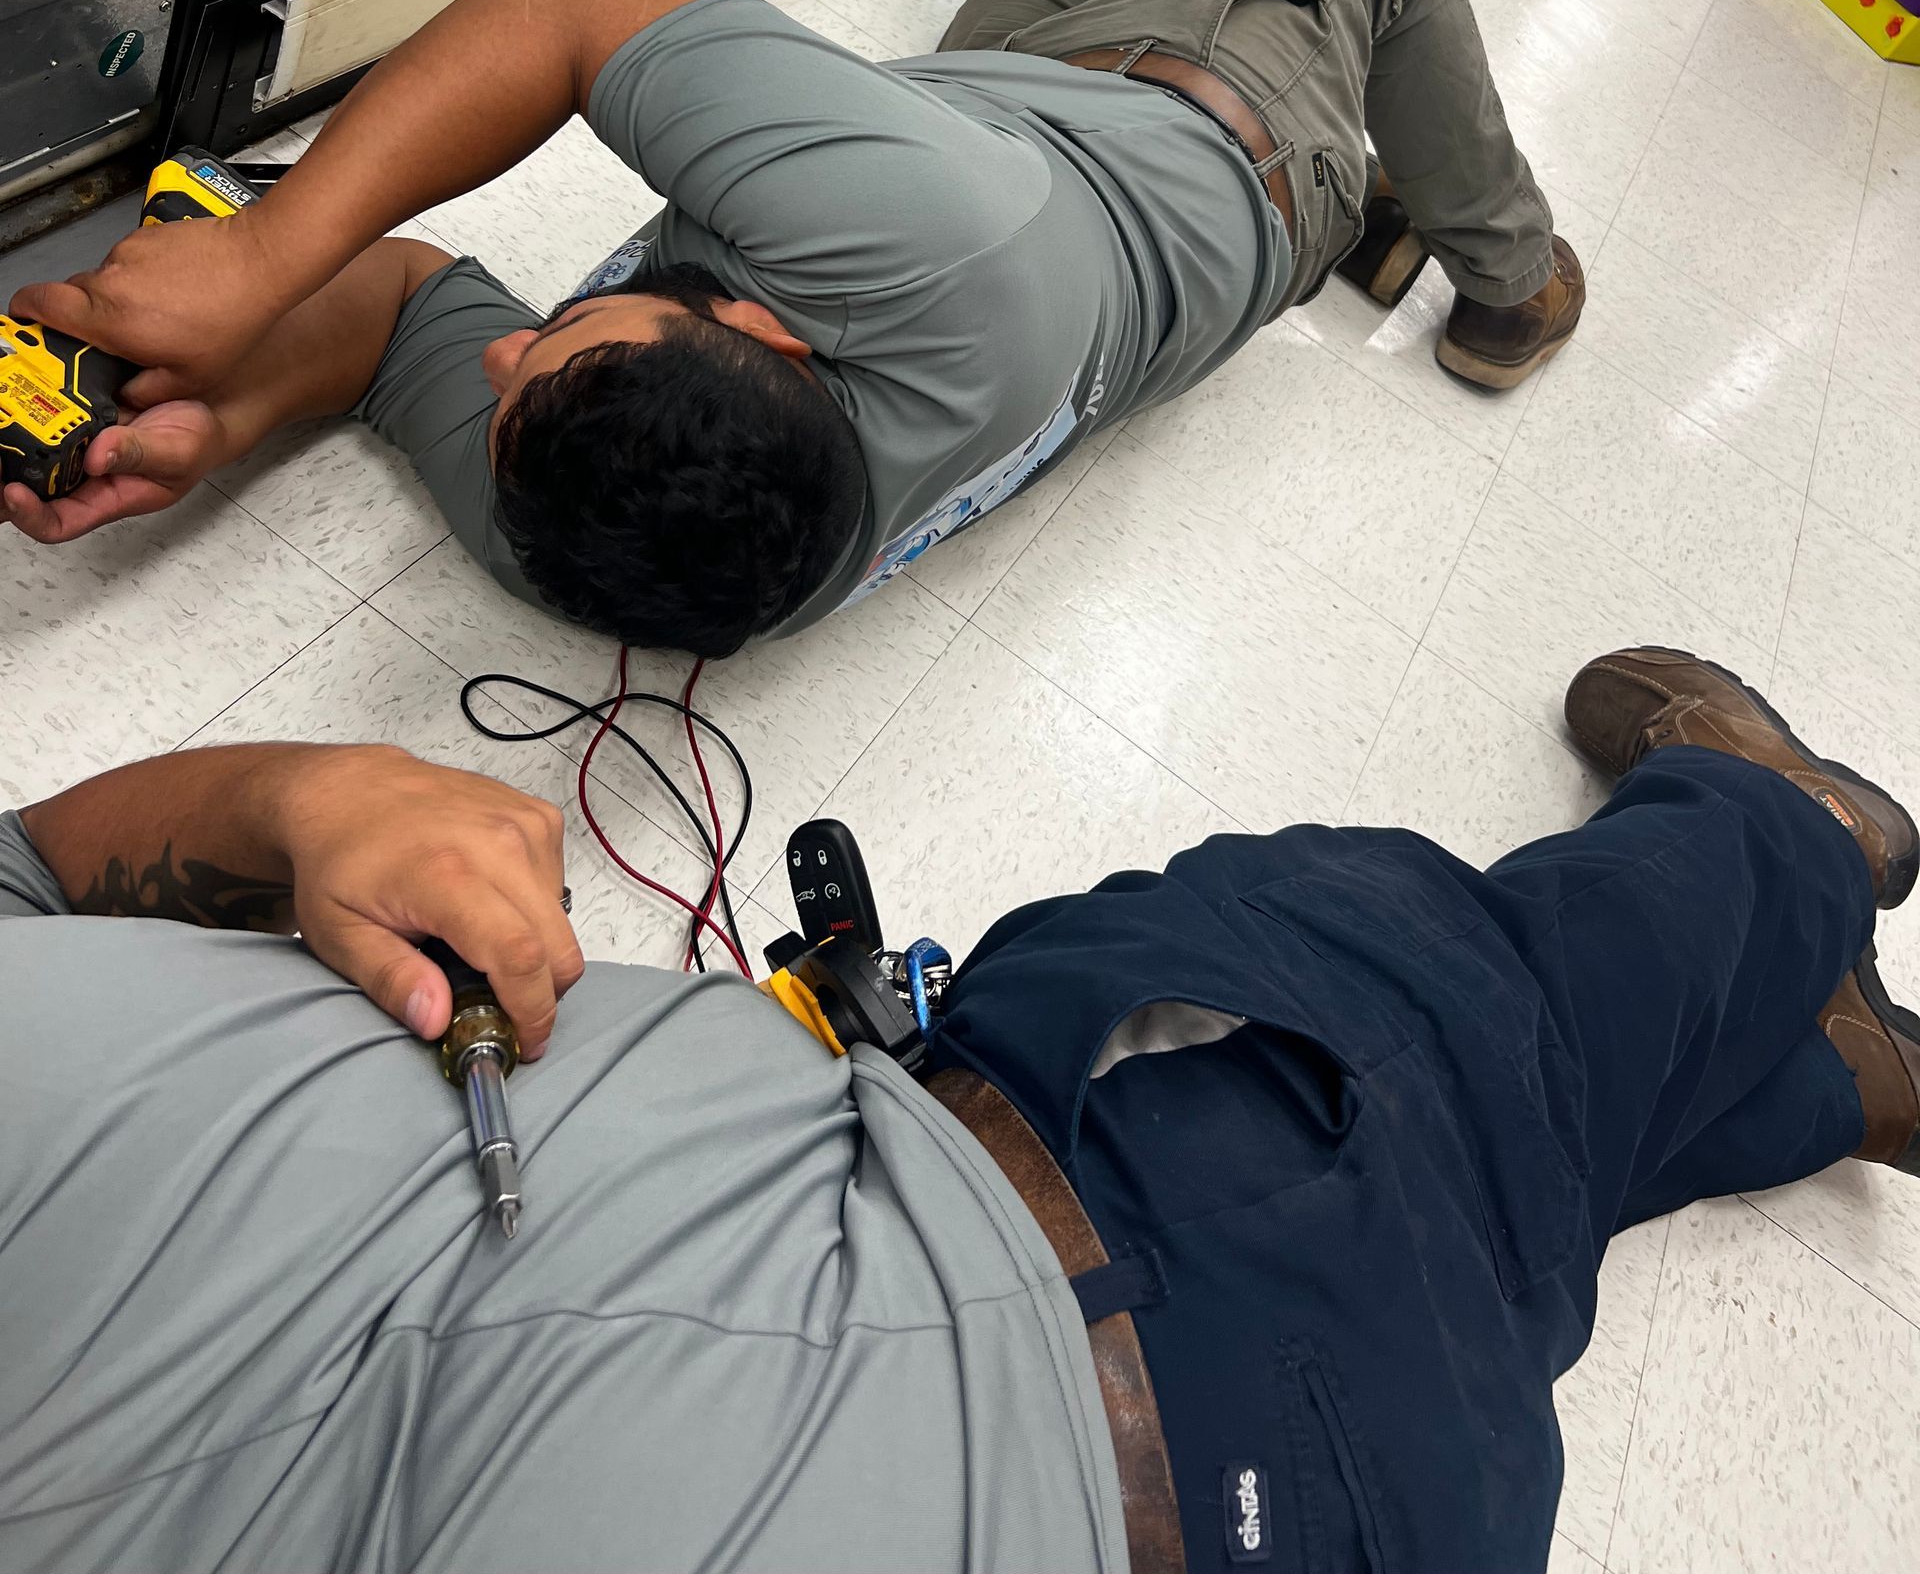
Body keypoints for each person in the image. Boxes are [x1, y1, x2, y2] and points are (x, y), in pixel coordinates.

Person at [3, 647, 1916, 1574]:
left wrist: (297, 804)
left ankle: (1819, 1081)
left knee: (1510, 1220)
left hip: (1320, 1473)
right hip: (1146, 1258)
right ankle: (1798, 838)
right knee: (1435, 986)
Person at [3, 0, 1583, 657]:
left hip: (1026, 180)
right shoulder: (914, 253)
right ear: (771, 331)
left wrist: (242, 397)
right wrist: (262, 261)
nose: (502, 343)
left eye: (521, 370)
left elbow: (409, 292)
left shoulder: (583, 527)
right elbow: (564, 4)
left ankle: (1432, 236)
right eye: (549, 342)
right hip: (1237, 146)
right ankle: (1501, 272)